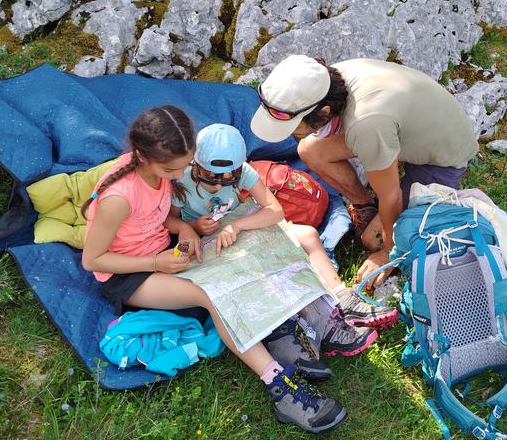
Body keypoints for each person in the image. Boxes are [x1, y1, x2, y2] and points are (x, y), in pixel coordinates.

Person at [81, 106, 346, 434]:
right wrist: (154, 263)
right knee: (214, 295)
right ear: (142, 156)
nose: (179, 175)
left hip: (166, 252)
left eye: (184, 165)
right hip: (129, 275)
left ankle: (282, 330)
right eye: (170, 170)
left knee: (239, 259)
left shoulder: (168, 170)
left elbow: (162, 215)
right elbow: (93, 260)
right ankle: (279, 387)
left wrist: (187, 228)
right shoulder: (119, 198)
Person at [250, 55, 478, 289]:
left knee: (373, 239)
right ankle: (364, 206)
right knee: (309, 149)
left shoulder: (365, 124)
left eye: (293, 127)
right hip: (404, 129)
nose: (291, 133)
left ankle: (391, 241)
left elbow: (391, 197)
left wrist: (389, 252)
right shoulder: (322, 81)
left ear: (324, 112)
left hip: (443, 155)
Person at [171, 123, 398, 358]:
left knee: (308, 235)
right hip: (210, 244)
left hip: (241, 231)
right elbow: (169, 221)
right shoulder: (183, 180)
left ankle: (342, 298)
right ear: (196, 165)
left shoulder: (245, 173)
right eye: (210, 178)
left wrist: (236, 225)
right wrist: (193, 227)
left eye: (228, 179)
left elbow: (274, 210)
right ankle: (312, 326)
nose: (219, 185)